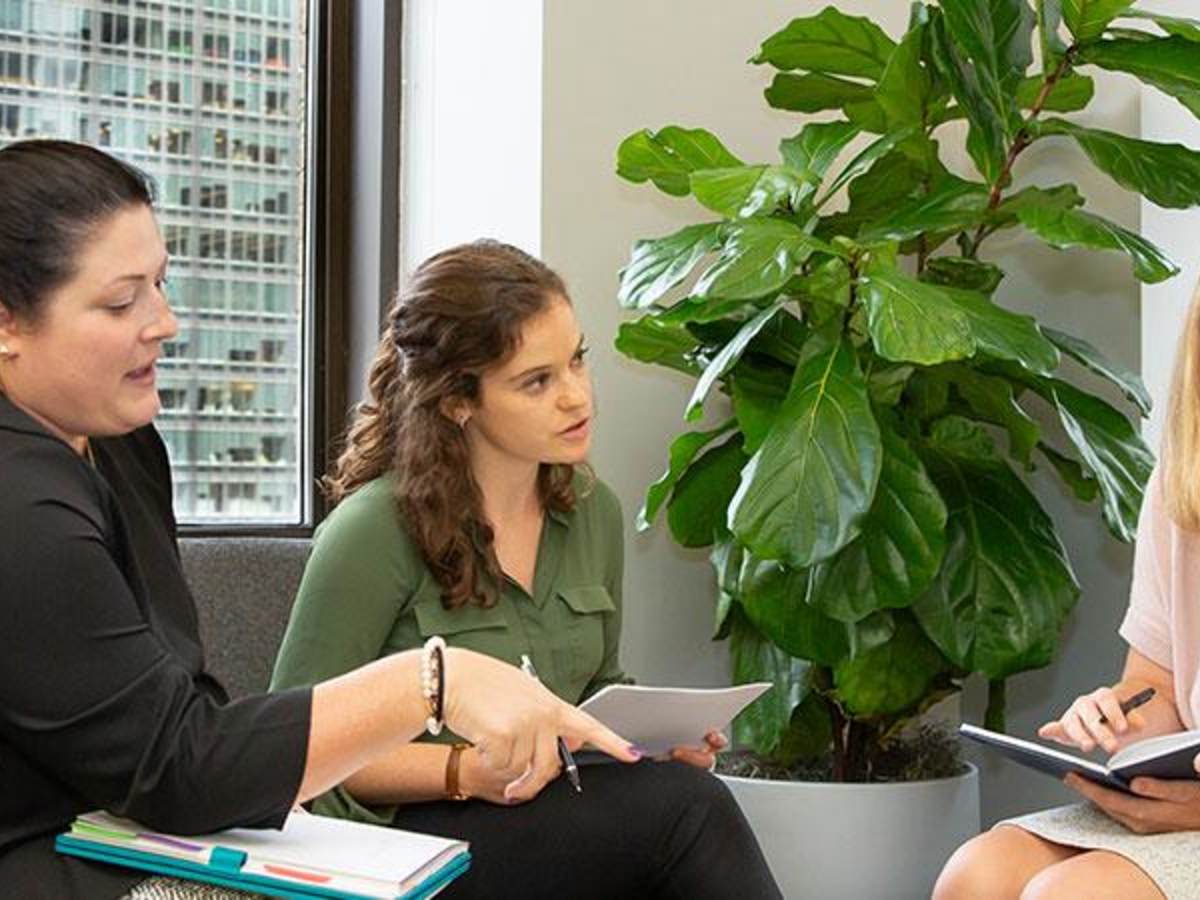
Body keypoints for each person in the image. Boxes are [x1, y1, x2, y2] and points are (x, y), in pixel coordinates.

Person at [0, 140, 638, 900]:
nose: (165, 323)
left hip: (144, 838)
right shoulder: (21, 505)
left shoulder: (126, 447)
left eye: (160, 287)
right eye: (119, 302)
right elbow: (177, 768)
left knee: (668, 806)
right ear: (7, 323)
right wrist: (431, 684)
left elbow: (186, 713)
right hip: (56, 858)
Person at [269, 239, 782, 899]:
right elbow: (297, 754)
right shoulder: (373, 531)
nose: (575, 397)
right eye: (537, 381)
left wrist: (644, 743)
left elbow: (594, 691)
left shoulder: (593, 513)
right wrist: (465, 771)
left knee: (679, 793)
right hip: (400, 849)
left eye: (577, 362)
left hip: (540, 818)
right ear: (460, 401)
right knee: (685, 809)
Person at [933, 283, 1200, 900]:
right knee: (975, 874)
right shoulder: (1181, 486)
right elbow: (1157, 685)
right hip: (1179, 810)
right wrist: (1116, 717)